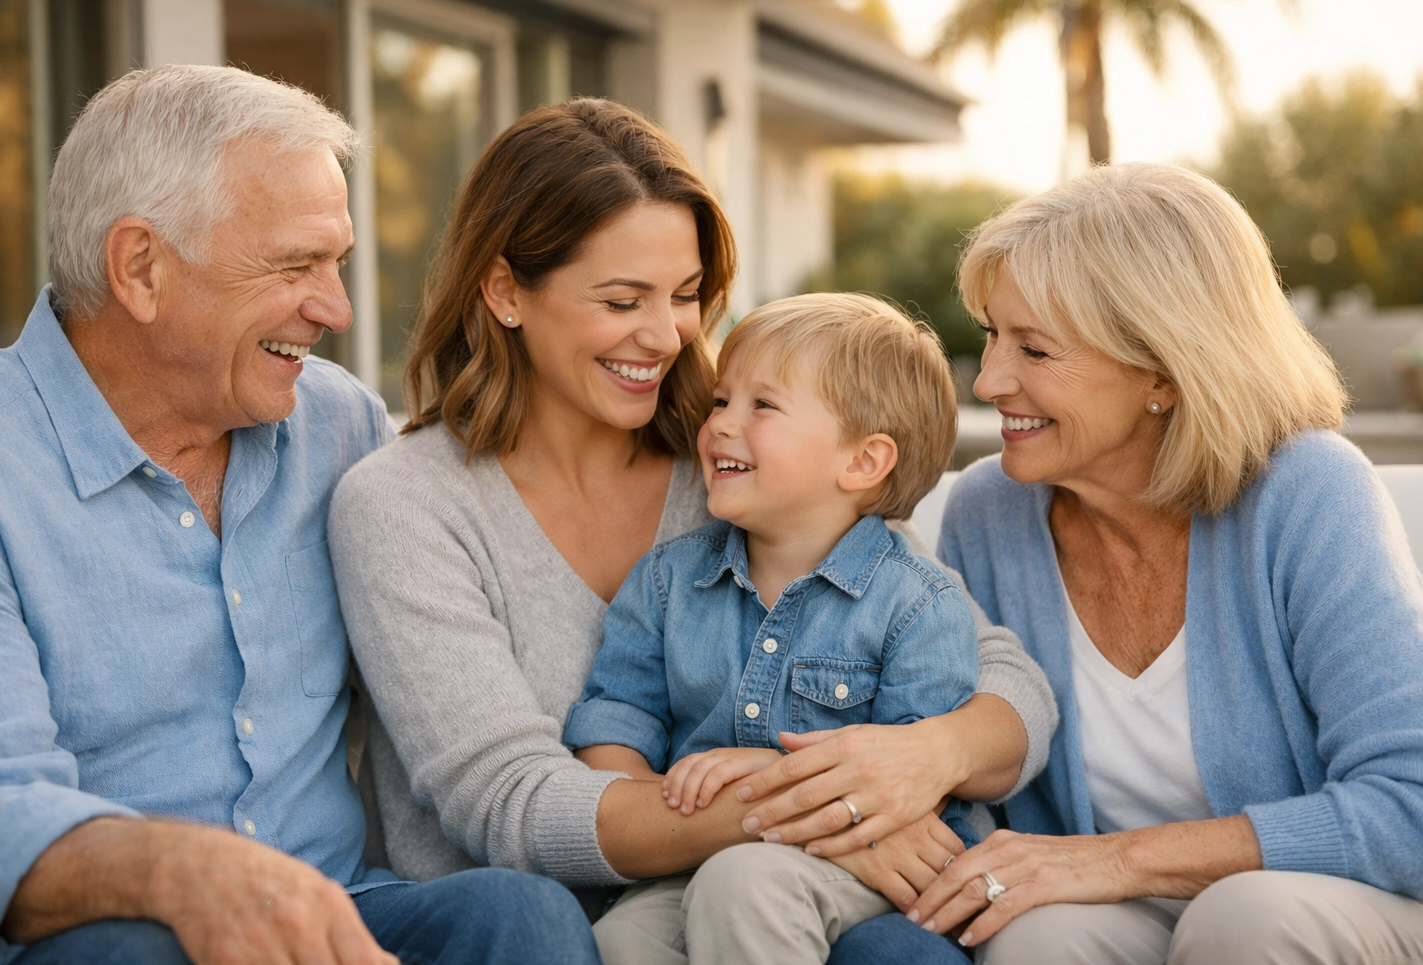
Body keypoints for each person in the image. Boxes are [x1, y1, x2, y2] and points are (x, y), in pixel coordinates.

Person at [0, 65, 599, 965]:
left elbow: (494, 564)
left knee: (518, 918)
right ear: (140, 267)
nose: (335, 308)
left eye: (335, 262)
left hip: (326, 916)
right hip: (78, 944)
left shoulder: (335, 423)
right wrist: (189, 877)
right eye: (296, 265)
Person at [328, 97, 1057, 965]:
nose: (666, 334)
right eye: (621, 298)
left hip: (790, 907)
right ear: (504, 292)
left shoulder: (741, 471)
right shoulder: (406, 503)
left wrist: (922, 759)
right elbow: (508, 801)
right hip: (540, 928)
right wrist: (825, 818)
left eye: (683, 296)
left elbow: (1002, 676)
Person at [908, 162, 1423, 963]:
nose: (991, 379)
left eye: (1035, 349)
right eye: (992, 336)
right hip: (1126, 910)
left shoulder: (1310, 493)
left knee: (1243, 918)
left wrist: (1115, 860)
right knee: (1033, 935)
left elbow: (1411, 808)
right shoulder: (990, 511)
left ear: (1161, 370)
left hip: (1340, 906)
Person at [564, 293, 981, 965]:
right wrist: (653, 809)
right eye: (722, 401)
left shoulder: (917, 604)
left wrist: (769, 775)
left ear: (863, 463)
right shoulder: (669, 581)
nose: (721, 425)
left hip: (860, 861)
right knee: (622, 939)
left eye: (763, 406)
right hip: (701, 853)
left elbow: (909, 782)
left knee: (745, 886)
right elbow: (616, 720)